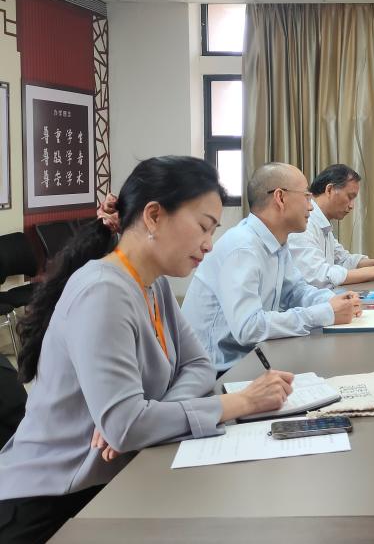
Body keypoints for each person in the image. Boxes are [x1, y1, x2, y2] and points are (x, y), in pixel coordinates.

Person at [0, 157, 294, 542]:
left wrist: (149, 417)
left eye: (213, 231)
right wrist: (239, 403)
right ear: (154, 215)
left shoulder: (152, 283)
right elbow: (126, 426)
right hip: (51, 504)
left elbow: (199, 366)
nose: (209, 244)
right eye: (203, 227)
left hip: (110, 478)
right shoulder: (103, 292)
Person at [182, 162, 361, 374]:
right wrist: (325, 313)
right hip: (218, 372)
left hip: (252, 356)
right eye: (306, 197)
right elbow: (249, 327)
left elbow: (296, 291)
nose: (311, 207)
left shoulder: (277, 242)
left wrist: (333, 301)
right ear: (280, 197)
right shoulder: (243, 247)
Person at [289, 164, 374, 288]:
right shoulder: (304, 223)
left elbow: (343, 260)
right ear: (329, 190)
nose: (351, 206)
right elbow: (318, 277)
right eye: (349, 197)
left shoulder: (323, 223)